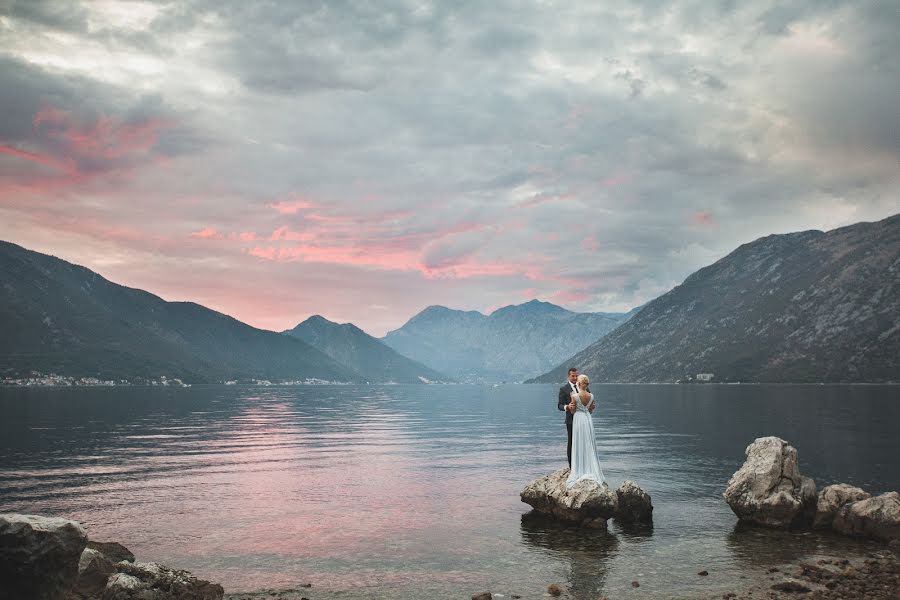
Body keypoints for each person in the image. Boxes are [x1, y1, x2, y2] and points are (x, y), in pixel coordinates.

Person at [565, 373, 605, 488]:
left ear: (579, 383)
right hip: (587, 419)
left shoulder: (575, 396)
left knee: (579, 442)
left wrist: (572, 406)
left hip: (578, 419)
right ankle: (590, 468)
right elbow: (591, 410)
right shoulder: (591, 396)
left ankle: (579, 469)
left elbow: (572, 411)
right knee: (589, 443)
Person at [557, 367, 593, 467]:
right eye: (573, 376)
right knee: (571, 443)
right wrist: (567, 406)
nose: (575, 377)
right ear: (569, 376)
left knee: (584, 442)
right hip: (571, 421)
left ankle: (583, 465)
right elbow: (559, 405)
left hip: (583, 420)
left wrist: (591, 406)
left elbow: (589, 401)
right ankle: (572, 467)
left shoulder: (585, 387)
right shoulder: (564, 389)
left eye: (576, 375)